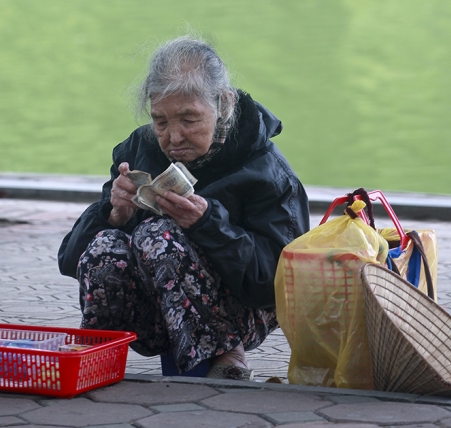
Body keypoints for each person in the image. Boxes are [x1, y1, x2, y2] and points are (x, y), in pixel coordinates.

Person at [57, 37, 309, 379]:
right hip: (156, 316)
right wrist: (113, 215)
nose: (173, 137)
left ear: (223, 103)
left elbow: (277, 286)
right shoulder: (139, 149)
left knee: (157, 234)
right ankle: (96, 357)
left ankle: (224, 357)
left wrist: (207, 222)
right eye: (160, 122)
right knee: (105, 246)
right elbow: (71, 261)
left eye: (189, 120)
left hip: (240, 314)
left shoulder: (267, 171)